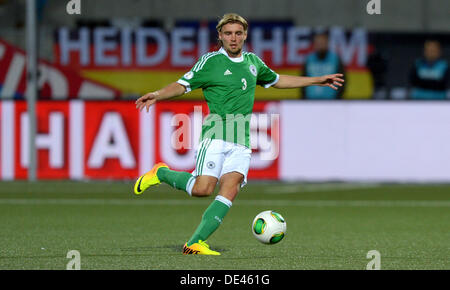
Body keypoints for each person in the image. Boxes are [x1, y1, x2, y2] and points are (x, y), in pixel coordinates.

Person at [134, 13, 344, 255]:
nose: (233, 38)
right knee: (202, 190)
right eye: (228, 34)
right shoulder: (210, 62)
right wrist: (157, 94)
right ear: (220, 37)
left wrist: (317, 80)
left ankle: (195, 242)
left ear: (244, 35)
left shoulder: (253, 62)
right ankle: (160, 173)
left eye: (237, 33)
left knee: (230, 189)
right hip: (215, 136)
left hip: (242, 141)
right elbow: (183, 84)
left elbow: (277, 80)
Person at [302, 32, 345, 99]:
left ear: (327, 43)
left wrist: (338, 98)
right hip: (310, 100)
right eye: (318, 43)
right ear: (314, 44)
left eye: (322, 43)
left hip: (331, 100)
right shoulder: (309, 59)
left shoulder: (335, 59)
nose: (320, 45)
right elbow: (302, 79)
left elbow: (342, 80)